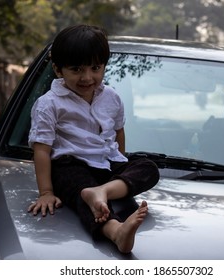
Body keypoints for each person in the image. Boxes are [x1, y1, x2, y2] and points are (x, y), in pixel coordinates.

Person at [27, 24, 159, 253]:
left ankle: (104, 191)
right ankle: (115, 231)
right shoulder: (49, 104)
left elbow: (118, 133)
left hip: (105, 162)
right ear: (59, 70)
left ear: (104, 66)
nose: (87, 77)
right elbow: (41, 149)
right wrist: (46, 192)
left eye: (95, 67)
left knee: (148, 168)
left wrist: (122, 165)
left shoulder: (112, 98)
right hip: (70, 165)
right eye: (76, 69)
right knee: (82, 192)